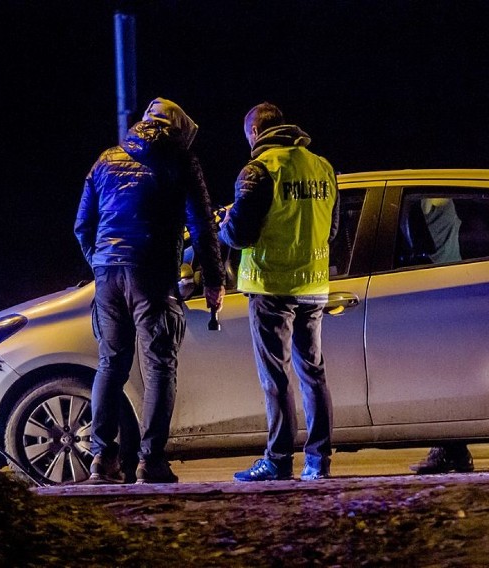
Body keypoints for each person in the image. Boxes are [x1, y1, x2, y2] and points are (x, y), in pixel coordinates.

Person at [74, 97, 225, 484]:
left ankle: (101, 460)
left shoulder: (106, 159)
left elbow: (82, 225)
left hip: (108, 275)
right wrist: (213, 281)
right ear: (178, 130)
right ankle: (150, 462)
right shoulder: (179, 160)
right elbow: (204, 224)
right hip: (153, 274)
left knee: (110, 364)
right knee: (159, 366)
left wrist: (101, 261)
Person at [219, 102, 339, 482]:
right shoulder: (322, 166)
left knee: (276, 377)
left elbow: (239, 234)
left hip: (271, 286)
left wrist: (222, 227)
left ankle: (278, 459)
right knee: (313, 374)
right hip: (314, 284)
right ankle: (318, 461)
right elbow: (332, 231)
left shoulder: (258, 171)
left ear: (255, 133)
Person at [408, 197, 475, 475]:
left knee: (436, 376)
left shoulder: (430, 205)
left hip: (434, 293)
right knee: (443, 376)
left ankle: (450, 451)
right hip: (446, 291)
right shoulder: (446, 205)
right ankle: (453, 452)